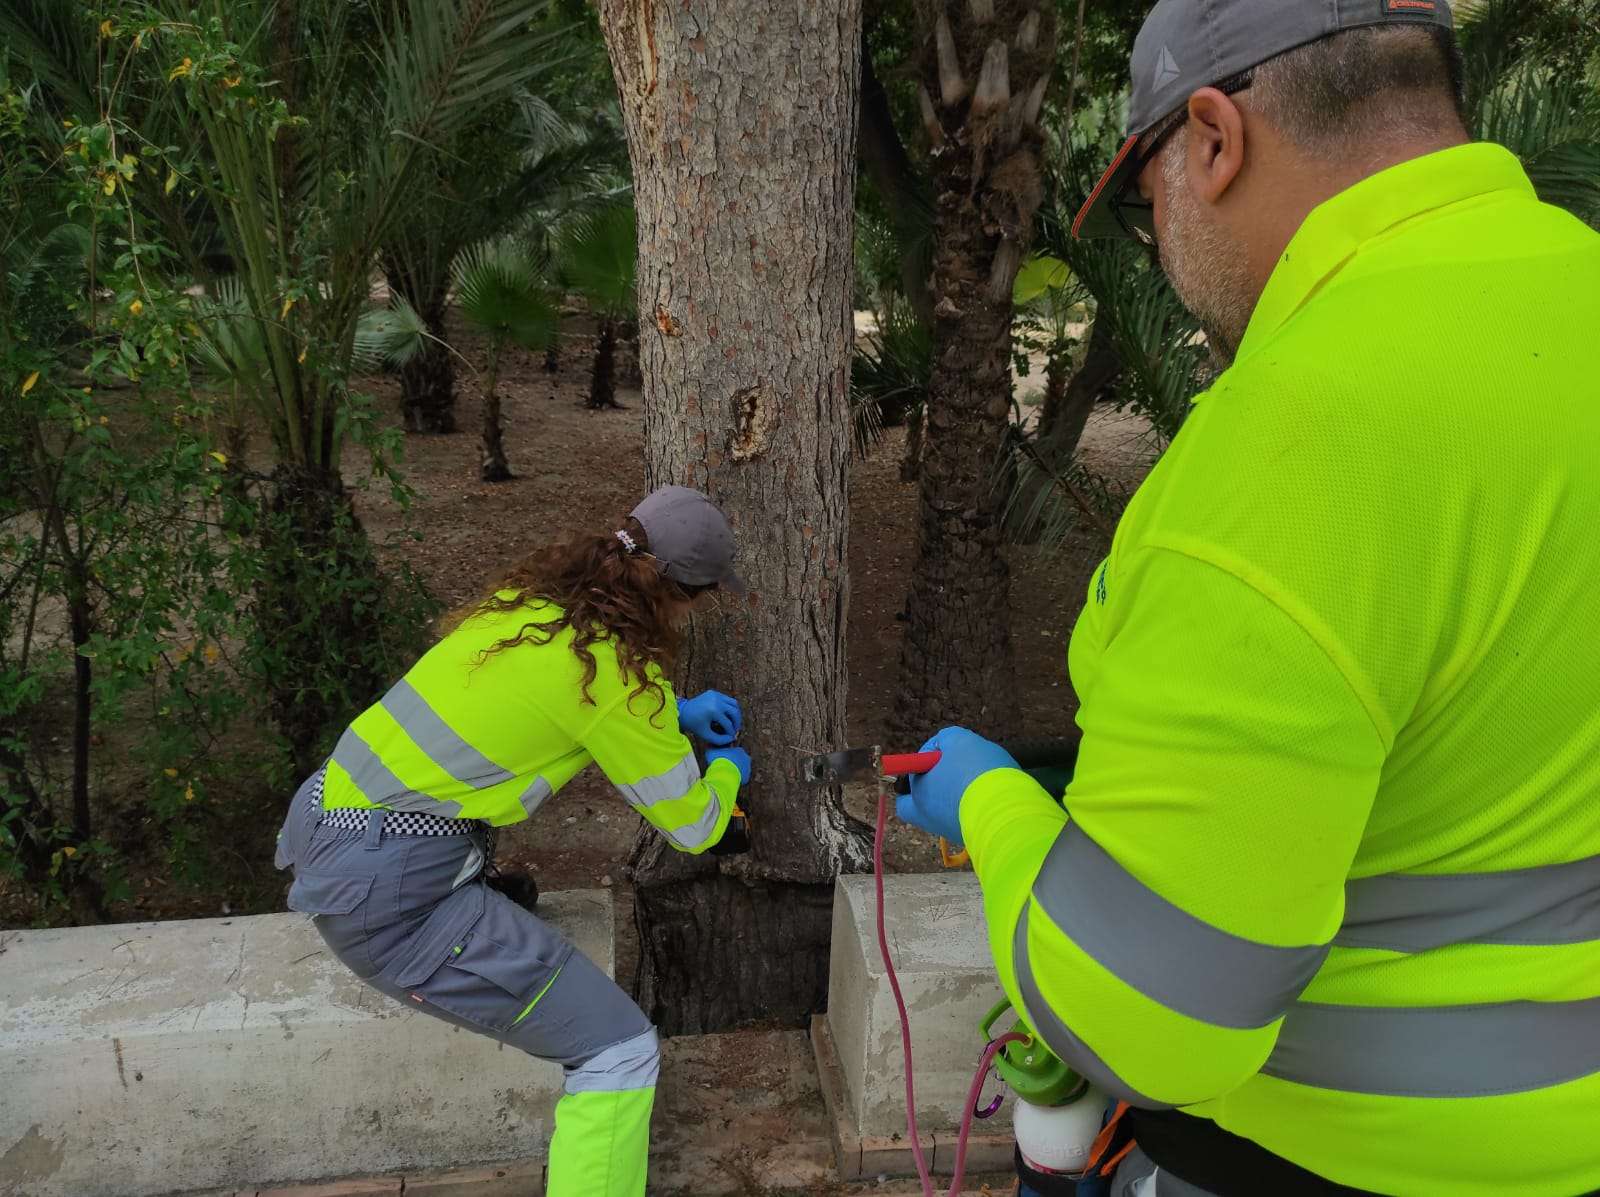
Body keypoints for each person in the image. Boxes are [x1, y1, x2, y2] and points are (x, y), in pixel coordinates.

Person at [896, 2, 1600, 1195]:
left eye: (1142, 200)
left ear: (1213, 142)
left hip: (1338, 1162)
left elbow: (1140, 1019)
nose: (1160, 248)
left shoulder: (1296, 436)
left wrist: (992, 814)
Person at [274, 485, 752, 1197]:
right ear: (682, 598)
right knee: (618, 1051)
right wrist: (726, 776)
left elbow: (536, 701)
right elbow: (695, 828)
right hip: (389, 896)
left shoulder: (528, 605)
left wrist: (675, 713)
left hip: (327, 820)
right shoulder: (621, 680)